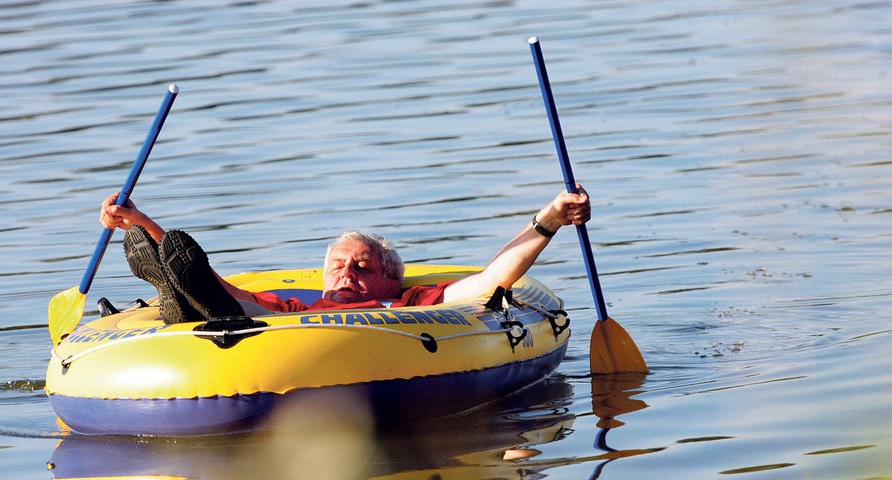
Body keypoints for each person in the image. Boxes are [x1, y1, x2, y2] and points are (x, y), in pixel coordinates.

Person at [99, 188, 591, 323]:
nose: (348, 272)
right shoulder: (301, 305)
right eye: (339, 264)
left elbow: (489, 281)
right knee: (219, 296)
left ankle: (177, 299)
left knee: (218, 302)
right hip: (266, 330)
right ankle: (168, 281)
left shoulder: (413, 301)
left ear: (389, 281)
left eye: (362, 266)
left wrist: (549, 217)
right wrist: (144, 223)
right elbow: (220, 284)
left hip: (380, 339)